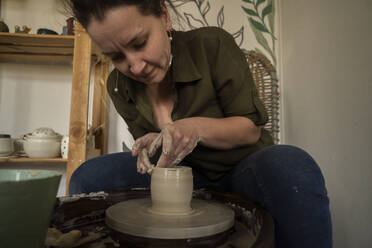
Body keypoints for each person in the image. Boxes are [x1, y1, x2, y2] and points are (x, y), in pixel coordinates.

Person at [67, 1, 332, 247]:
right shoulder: (118, 85)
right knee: (88, 176)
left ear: (164, 16)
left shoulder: (212, 45)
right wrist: (150, 146)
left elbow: (250, 130)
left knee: (291, 164)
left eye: (139, 42)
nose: (135, 67)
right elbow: (160, 157)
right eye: (116, 56)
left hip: (241, 170)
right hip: (181, 176)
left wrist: (193, 128)